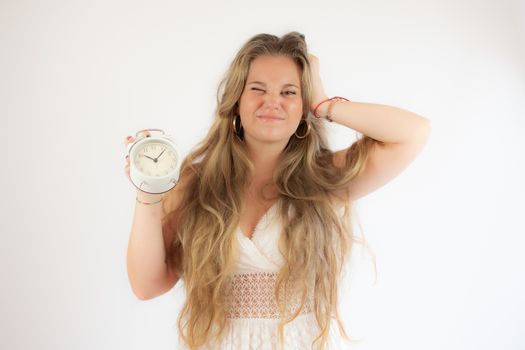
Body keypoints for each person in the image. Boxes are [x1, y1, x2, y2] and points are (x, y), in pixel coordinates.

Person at [124, 31, 431, 350]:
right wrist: (148, 191)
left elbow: (412, 133)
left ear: (303, 109)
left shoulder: (325, 179)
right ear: (236, 101)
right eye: (257, 89)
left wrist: (325, 105)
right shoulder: (196, 182)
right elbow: (147, 285)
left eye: (289, 92)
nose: (272, 101)